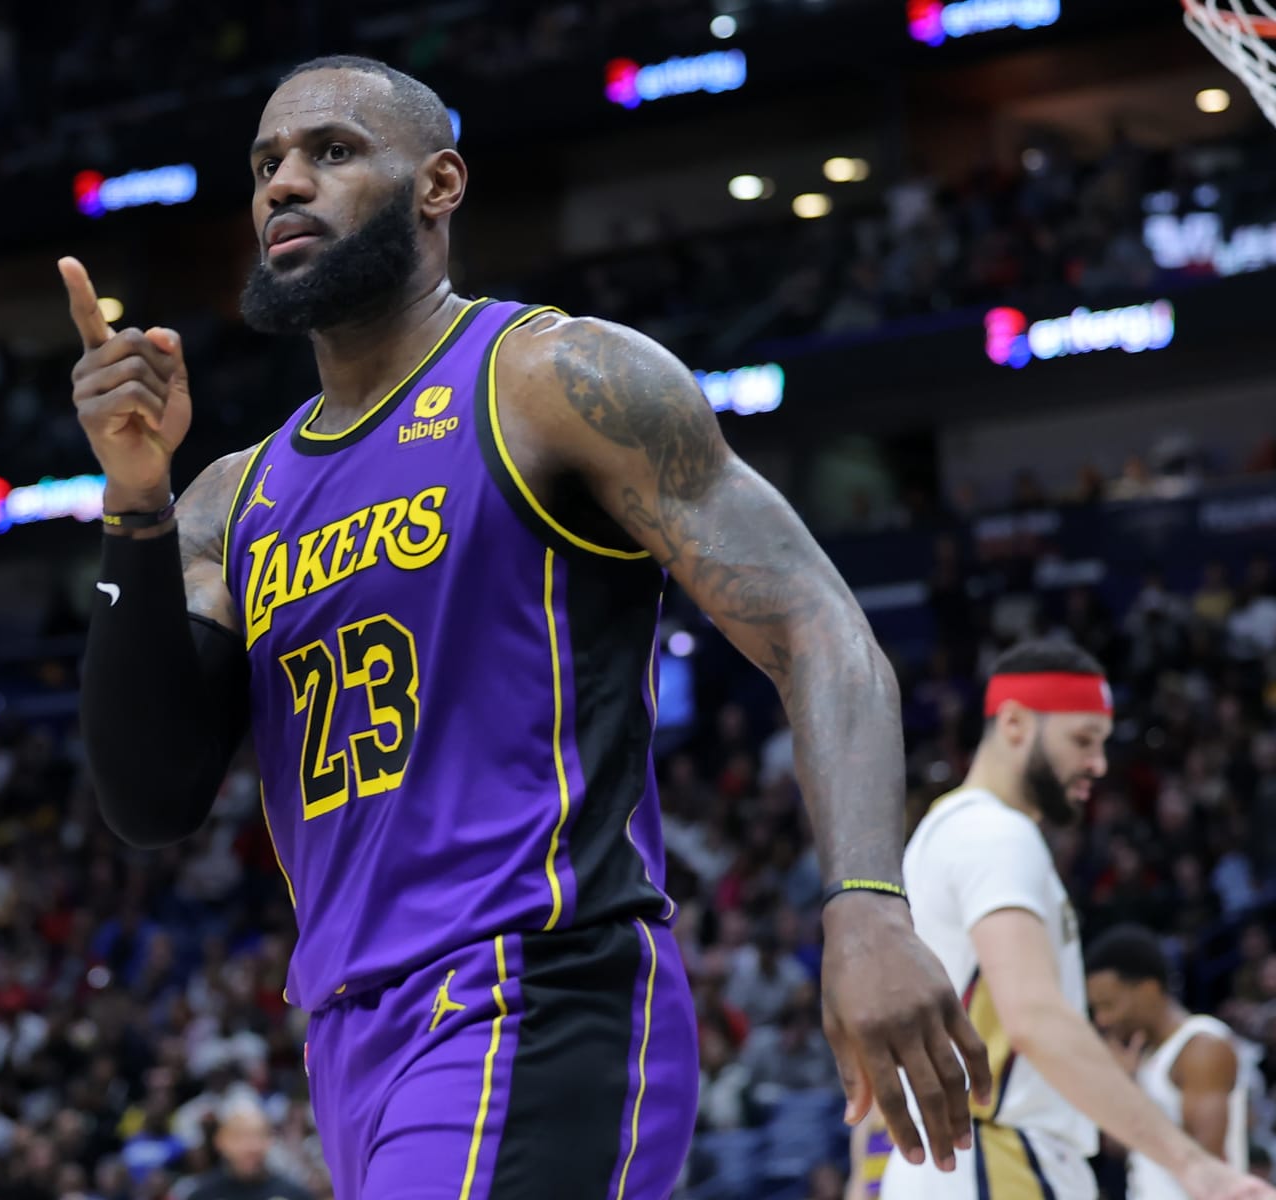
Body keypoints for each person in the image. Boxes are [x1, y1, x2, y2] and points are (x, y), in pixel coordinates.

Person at [72, 53, 990, 1200]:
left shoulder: (551, 380)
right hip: (349, 1036)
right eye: (266, 164)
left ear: (438, 184)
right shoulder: (227, 501)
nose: (284, 184)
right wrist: (134, 506)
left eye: (332, 152)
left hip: (536, 988)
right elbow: (148, 800)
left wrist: (865, 909)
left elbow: (817, 625)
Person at [882, 639, 1274, 1200]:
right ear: (1015, 723)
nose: (1098, 764)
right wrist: (1197, 1169)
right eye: (1082, 741)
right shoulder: (995, 833)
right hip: (999, 1158)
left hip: (963, 1159)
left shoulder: (946, 831)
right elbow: (1034, 1019)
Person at [1086, 924, 1256, 1200]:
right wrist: (1121, 1084)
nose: (1103, 1020)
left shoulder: (1202, 1047)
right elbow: (1120, 1148)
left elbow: (1206, 1160)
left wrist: (1130, 1093)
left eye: (1109, 1004)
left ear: (1149, 989)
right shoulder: (1144, 1054)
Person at [187, 1102, 314, 1200]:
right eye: (239, 1136)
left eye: (258, 1135)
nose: (250, 1146)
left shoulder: (294, 1194)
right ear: (220, 1141)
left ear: (270, 1140)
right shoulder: (202, 1195)